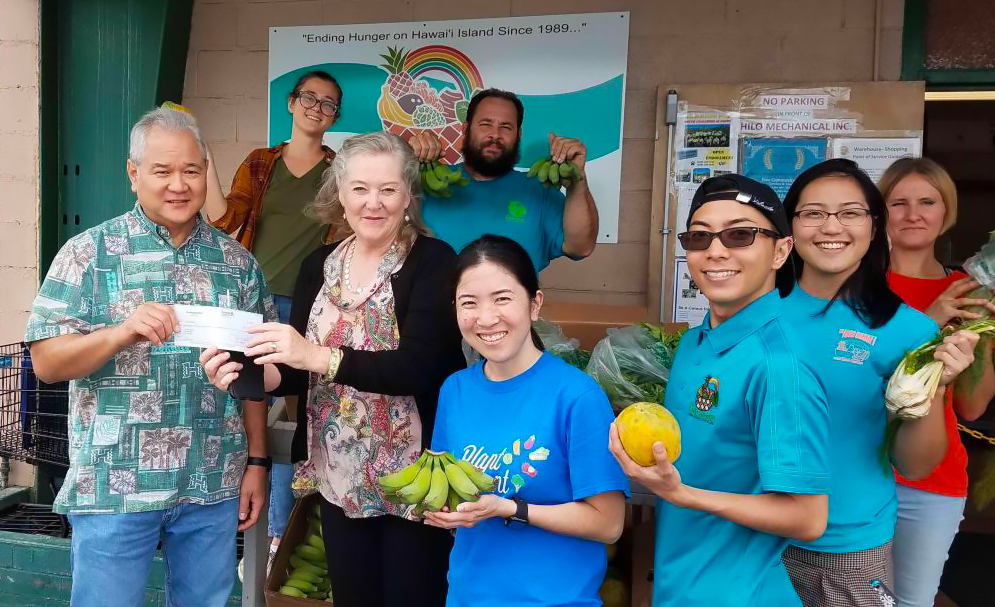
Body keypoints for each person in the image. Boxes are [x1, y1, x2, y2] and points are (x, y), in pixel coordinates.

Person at [25, 107, 276, 607]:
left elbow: (256, 373)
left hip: (212, 480)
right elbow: (47, 364)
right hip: (115, 483)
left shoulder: (236, 263)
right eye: (162, 171)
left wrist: (257, 461)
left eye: (192, 170)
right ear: (133, 173)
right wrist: (121, 332)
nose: (179, 185)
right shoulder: (89, 254)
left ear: (206, 171)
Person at [201, 131, 464, 607]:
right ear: (340, 195)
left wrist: (319, 356)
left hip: (414, 477)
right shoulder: (317, 265)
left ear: (408, 195)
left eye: (388, 189)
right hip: (336, 475)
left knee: (413, 596)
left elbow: (421, 368)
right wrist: (242, 375)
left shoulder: (434, 262)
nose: (373, 202)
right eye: (360, 188)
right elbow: (296, 371)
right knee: (353, 596)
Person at [609, 174, 831, 606]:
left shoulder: (781, 364)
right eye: (699, 237)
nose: (715, 251)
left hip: (740, 594)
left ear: (781, 251)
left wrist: (680, 494)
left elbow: (808, 517)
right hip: (682, 583)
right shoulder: (696, 342)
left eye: (740, 235)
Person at [775, 159, 979, 607]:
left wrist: (937, 385)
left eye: (850, 212)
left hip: (845, 545)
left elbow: (916, 464)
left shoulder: (909, 331)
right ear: (789, 227)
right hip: (750, 534)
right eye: (813, 213)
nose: (832, 226)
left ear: (873, 227)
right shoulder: (752, 313)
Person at [422, 234, 628, 606]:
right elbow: (447, 492)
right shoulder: (454, 391)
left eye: (503, 299)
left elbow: (609, 524)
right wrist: (446, 513)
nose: (486, 318)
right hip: (468, 596)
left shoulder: (578, 397)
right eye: (469, 303)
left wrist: (511, 508)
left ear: (535, 304)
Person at [204, 70, 341, 565]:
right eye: (309, 98)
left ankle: (279, 535)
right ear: (290, 102)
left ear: (335, 117)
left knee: (289, 420)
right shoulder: (262, 162)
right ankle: (237, 527)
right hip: (252, 304)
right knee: (243, 406)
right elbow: (225, 220)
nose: (317, 108)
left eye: (329, 104)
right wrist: (207, 163)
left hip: (307, 310)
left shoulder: (340, 171)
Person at [879, 157, 995, 607]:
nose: (913, 214)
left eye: (927, 202)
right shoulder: (855, 287)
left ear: (946, 211)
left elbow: (971, 407)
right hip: (855, 471)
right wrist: (928, 324)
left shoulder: (970, 291)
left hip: (934, 479)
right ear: (879, 212)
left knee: (911, 602)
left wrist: (984, 340)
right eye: (898, 203)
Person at [408, 88, 598, 273]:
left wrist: (577, 178)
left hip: (511, 304)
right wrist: (407, 157)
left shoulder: (539, 190)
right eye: (485, 124)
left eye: (506, 127)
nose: (495, 134)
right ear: (465, 129)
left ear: (519, 134)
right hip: (434, 305)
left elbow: (580, 247)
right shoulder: (429, 182)